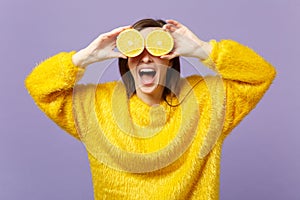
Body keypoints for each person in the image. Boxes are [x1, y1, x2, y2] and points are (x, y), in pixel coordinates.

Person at [25, 18, 276, 199]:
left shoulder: (204, 100)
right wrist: (85, 57)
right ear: (126, 58)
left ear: (171, 56)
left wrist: (202, 49)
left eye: (156, 48)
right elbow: (39, 86)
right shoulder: (97, 105)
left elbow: (260, 75)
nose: (145, 57)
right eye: (136, 48)